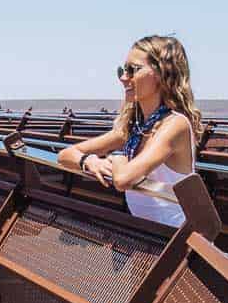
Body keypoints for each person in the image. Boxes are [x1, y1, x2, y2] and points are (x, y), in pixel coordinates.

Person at [57, 34, 202, 229]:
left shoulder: (175, 124)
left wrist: (116, 157)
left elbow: (123, 179)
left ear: (161, 73)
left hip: (180, 235)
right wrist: (89, 161)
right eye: (122, 70)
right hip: (148, 232)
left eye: (133, 70)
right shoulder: (134, 127)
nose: (124, 78)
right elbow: (65, 155)